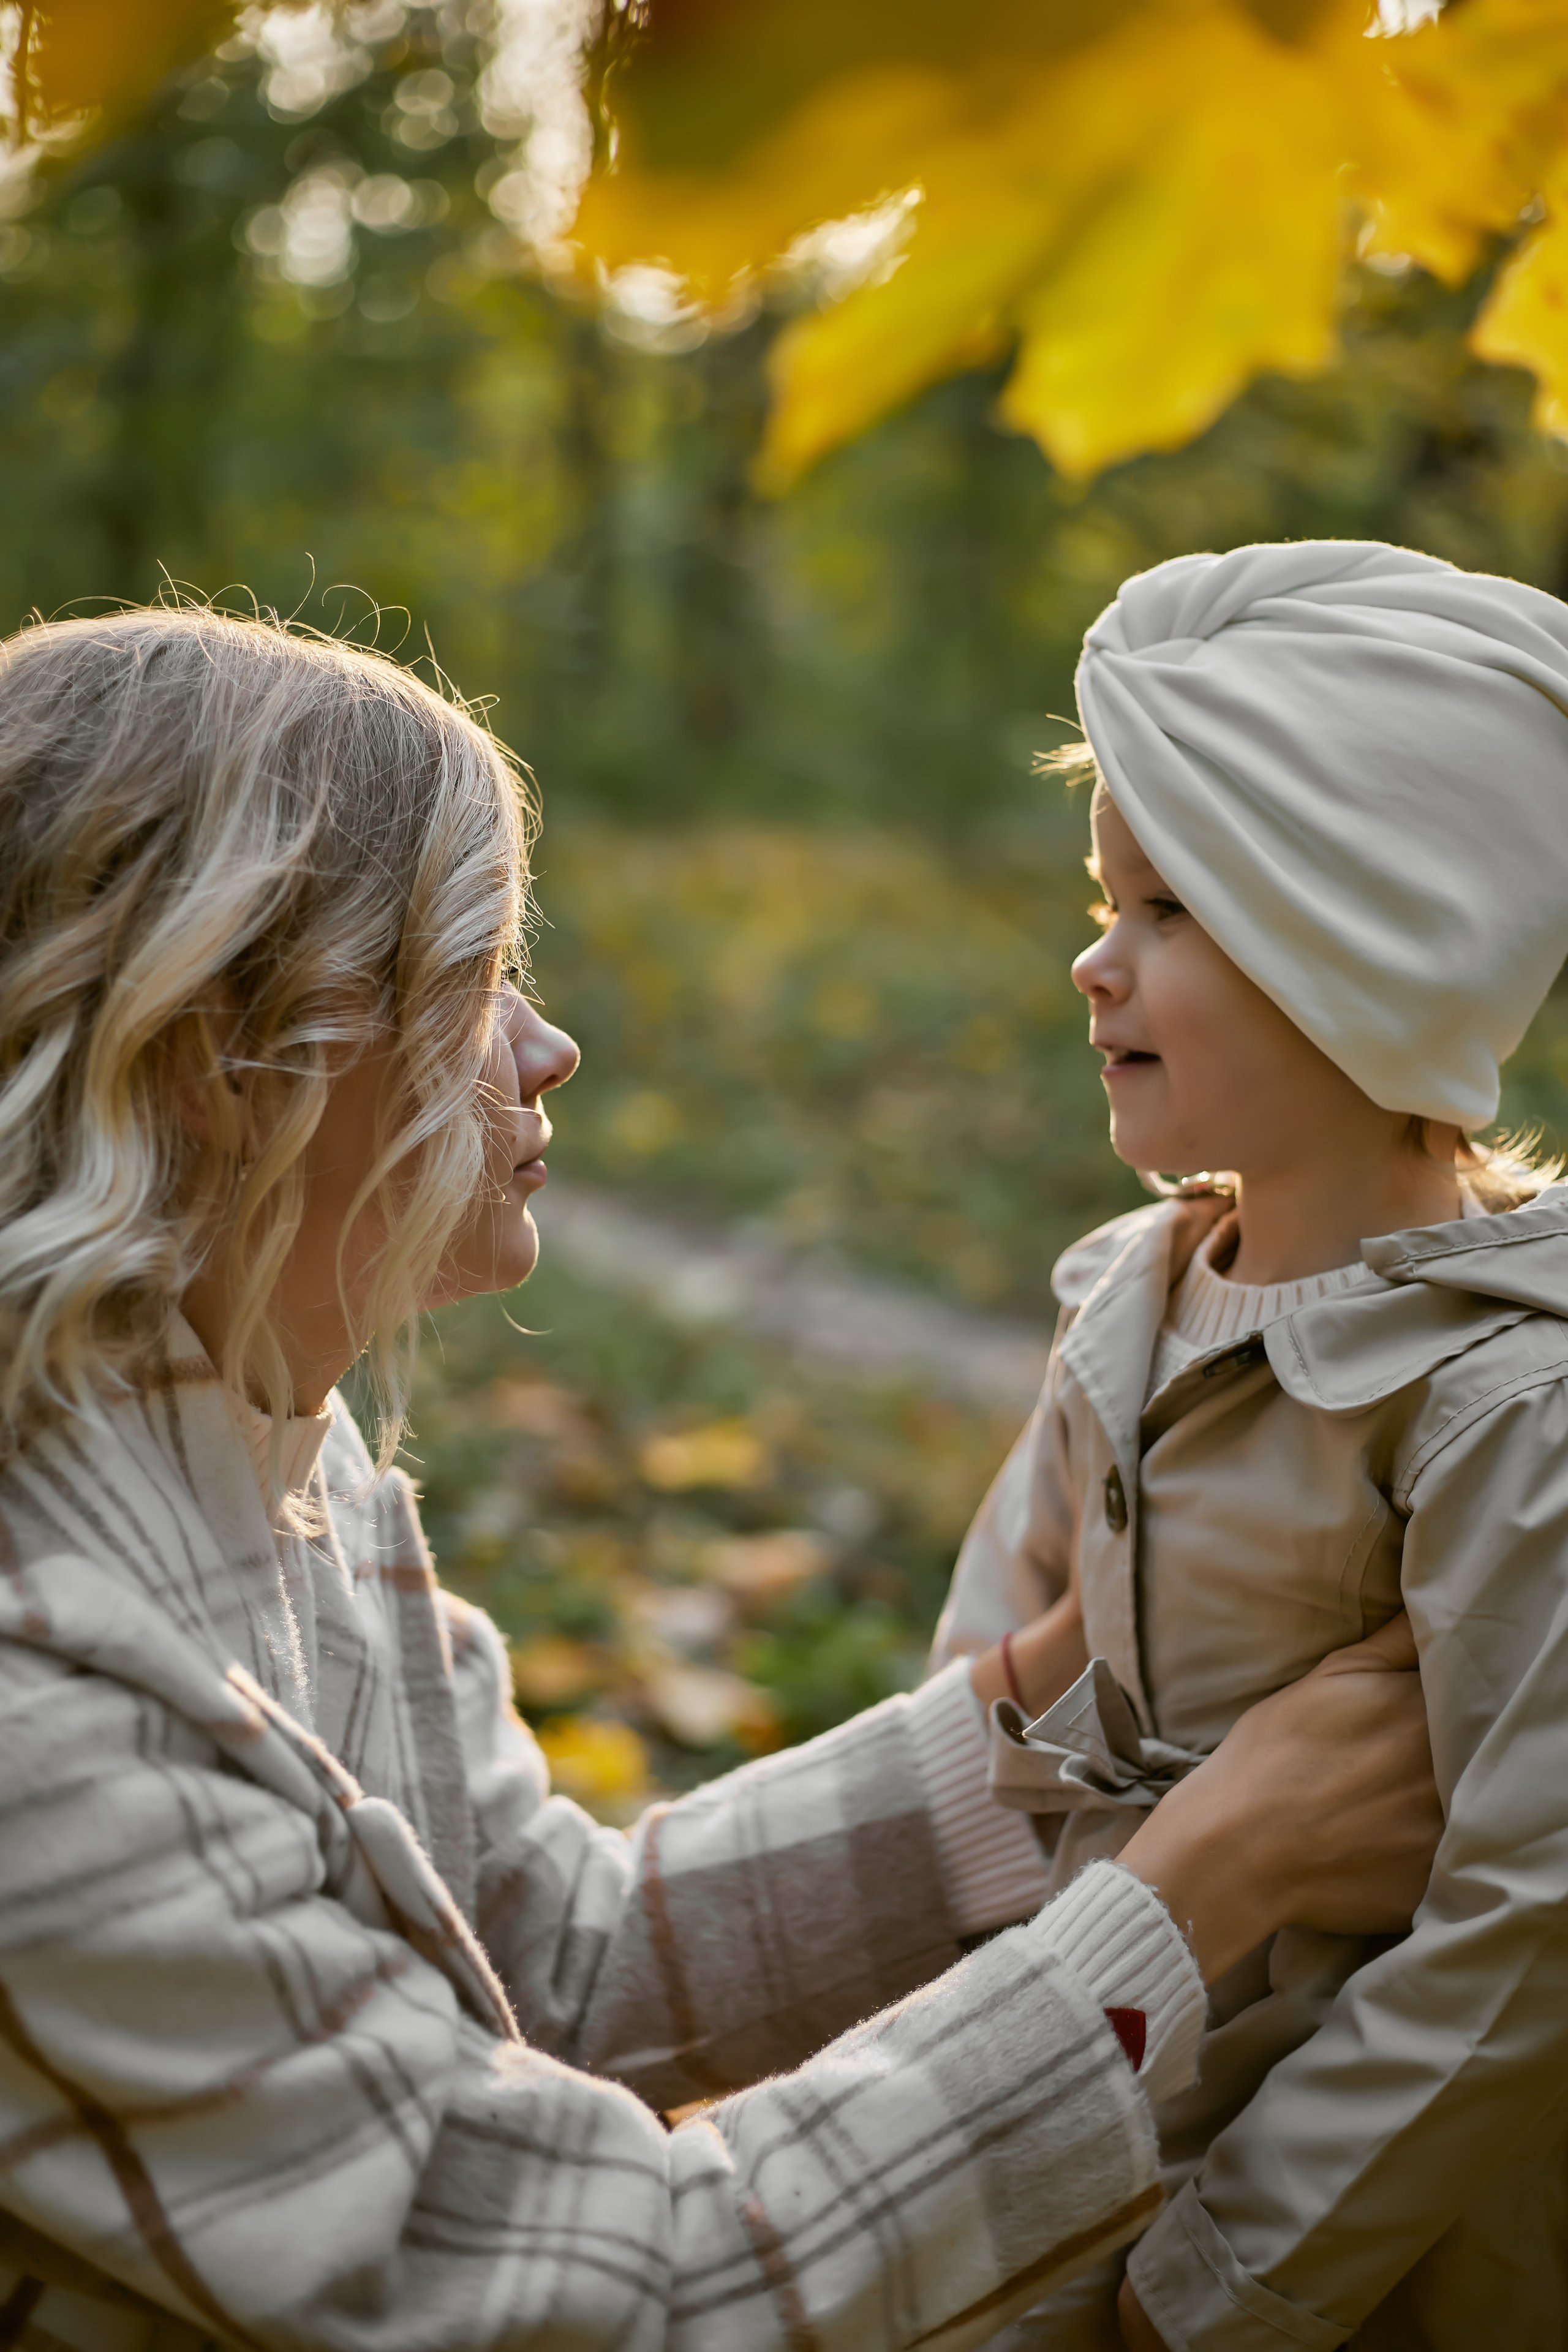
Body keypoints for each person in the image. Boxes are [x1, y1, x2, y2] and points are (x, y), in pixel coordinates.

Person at [0, 606, 1439, 2352]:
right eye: (470, 980)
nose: (547, 1051)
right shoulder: (51, 1711)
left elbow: (559, 1957)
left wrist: (1052, 1690)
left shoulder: (269, 1460)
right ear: (220, 1063)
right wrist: (1198, 1894)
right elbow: (611, 2299)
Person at [929, 539, 1568, 2352]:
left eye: (1165, 913)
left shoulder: (1500, 1408)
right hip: (1061, 2120)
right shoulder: (1125, 1301)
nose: (1093, 962)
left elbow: (1528, 1925)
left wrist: (1222, 2290)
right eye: (1101, 901)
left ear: (1364, 938)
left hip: (1346, 2251)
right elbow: (979, 1694)